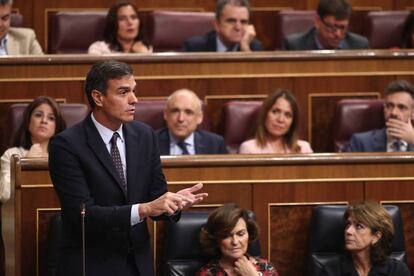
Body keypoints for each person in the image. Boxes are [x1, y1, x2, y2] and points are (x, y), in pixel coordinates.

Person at [48, 60, 207, 276]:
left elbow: (155, 198)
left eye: (133, 91)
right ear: (98, 97)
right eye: (123, 92)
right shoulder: (66, 145)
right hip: (91, 264)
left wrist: (174, 204)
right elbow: (83, 215)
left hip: (138, 264)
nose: (134, 99)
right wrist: (143, 209)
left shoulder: (145, 135)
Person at [0, 96, 65, 203]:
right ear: (28, 121)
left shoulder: (64, 157)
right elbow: (5, 195)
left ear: (56, 127)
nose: (44, 121)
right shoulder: (12, 155)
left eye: (51, 118)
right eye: (38, 115)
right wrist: (26, 164)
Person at [318, 201, 410, 276]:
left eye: (359, 226)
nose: (348, 231)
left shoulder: (397, 271)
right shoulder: (331, 271)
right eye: (348, 224)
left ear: (376, 237)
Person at [197, 203, 279, 276]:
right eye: (226, 236)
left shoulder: (266, 267)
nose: (235, 242)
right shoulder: (207, 273)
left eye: (240, 234)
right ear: (216, 240)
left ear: (249, 234)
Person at [348, 80, 414, 152]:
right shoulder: (361, 143)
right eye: (389, 106)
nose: (394, 113)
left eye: (401, 107)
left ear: (412, 113)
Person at [239, 89, 313, 154]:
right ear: (265, 114)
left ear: (293, 122)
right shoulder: (249, 149)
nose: (280, 120)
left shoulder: (304, 149)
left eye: (287, 115)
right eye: (275, 112)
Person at [156, 89, 228, 155]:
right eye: (175, 111)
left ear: (200, 117)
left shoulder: (215, 144)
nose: (181, 119)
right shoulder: (150, 143)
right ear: (165, 114)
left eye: (188, 112)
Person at [281, 0, 369, 50]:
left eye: (342, 27)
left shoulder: (360, 45)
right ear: (318, 22)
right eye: (332, 27)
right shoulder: (294, 45)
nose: (338, 34)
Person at [183, 0, 262, 52]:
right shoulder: (195, 47)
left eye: (243, 22)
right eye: (231, 21)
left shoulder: (253, 47)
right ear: (217, 25)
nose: (238, 27)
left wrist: (245, 48)